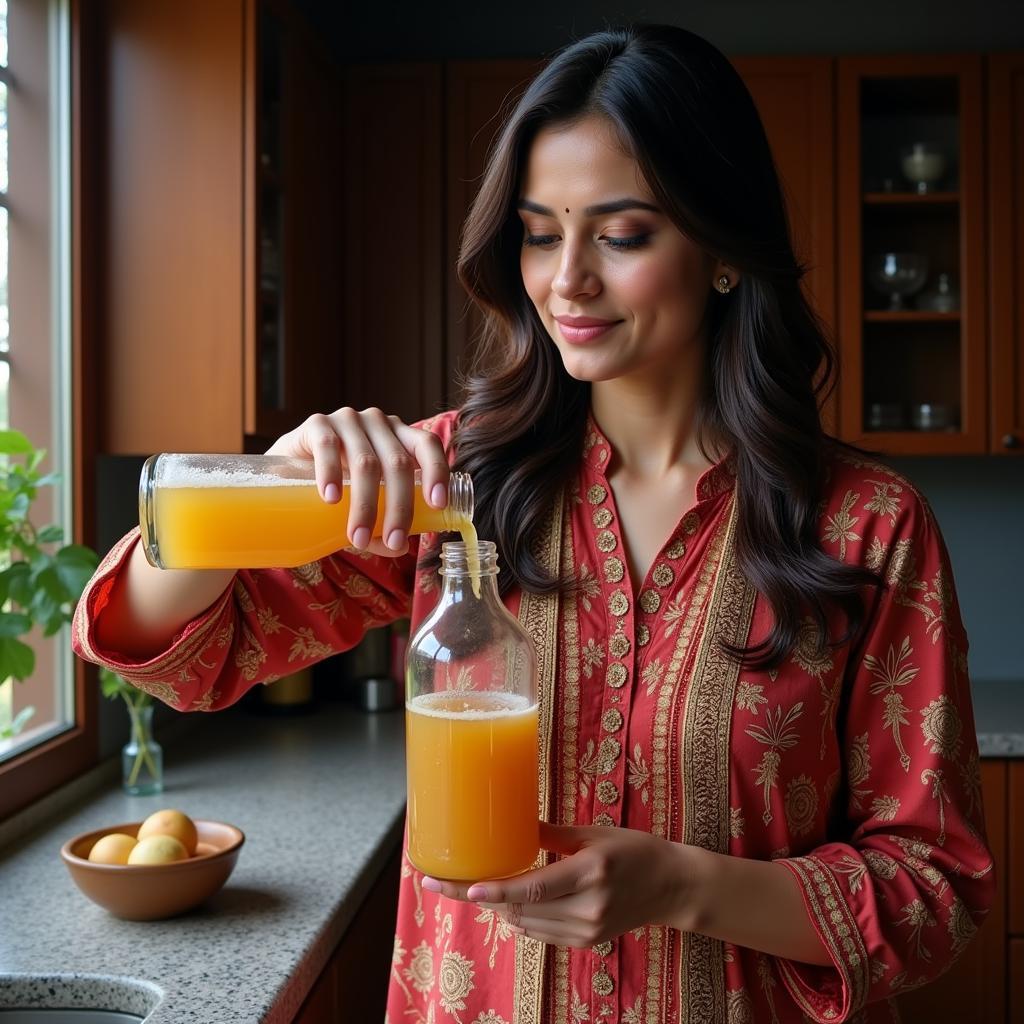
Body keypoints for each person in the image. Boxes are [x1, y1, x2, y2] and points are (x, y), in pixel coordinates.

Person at [73, 24, 994, 1024]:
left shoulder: (866, 526)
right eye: (541, 231)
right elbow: (176, 655)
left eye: (623, 233)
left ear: (722, 248)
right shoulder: (448, 483)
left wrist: (685, 886)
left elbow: (933, 889)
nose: (567, 281)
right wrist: (271, 484)